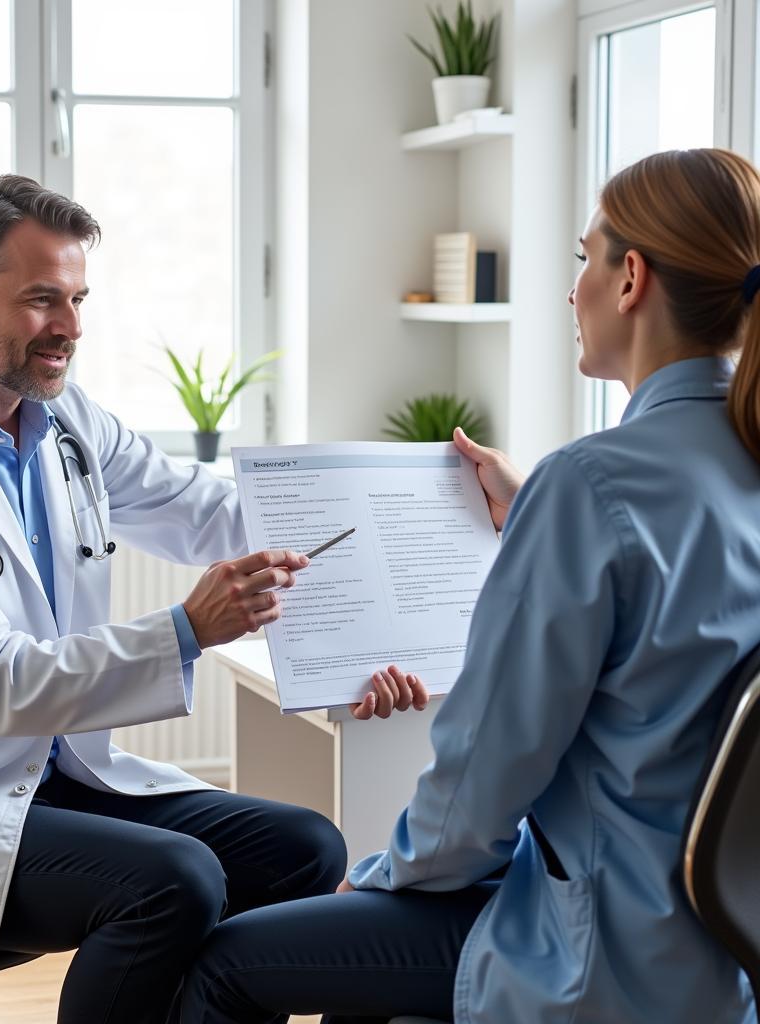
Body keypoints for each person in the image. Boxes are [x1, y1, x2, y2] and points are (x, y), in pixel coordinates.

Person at [0, 174, 430, 1024]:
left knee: (305, 848)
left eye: (79, 298)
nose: (72, 329)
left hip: (50, 774)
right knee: (174, 882)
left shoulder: (62, 419)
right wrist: (188, 629)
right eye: (44, 300)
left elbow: (209, 510)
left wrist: (410, 499)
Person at [178, 147, 760, 1024]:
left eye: (582, 260)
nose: (573, 292)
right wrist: (538, 507)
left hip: (598, 951)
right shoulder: (708, 468)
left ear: (631, 277)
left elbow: (481, 787)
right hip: (725, 955)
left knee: (226, 962)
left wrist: (375, 873)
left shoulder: (592, 487)